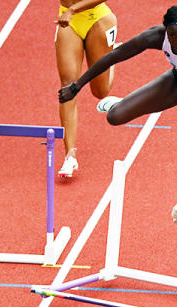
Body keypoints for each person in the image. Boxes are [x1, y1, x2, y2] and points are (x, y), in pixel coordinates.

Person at [58, 5, 177, 225]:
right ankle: (121, 104)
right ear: (165, 31)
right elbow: (116, 55)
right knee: (114, 118)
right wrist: (77, 86)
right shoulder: (157, 36)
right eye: (172, 35)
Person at [54, 0, 118, 178]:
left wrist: (73, 9)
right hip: (68, 19)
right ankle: (70, 156)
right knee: (68, 85)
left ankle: (112, 56)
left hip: (97, 18)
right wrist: (69, 11)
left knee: (100, 91)